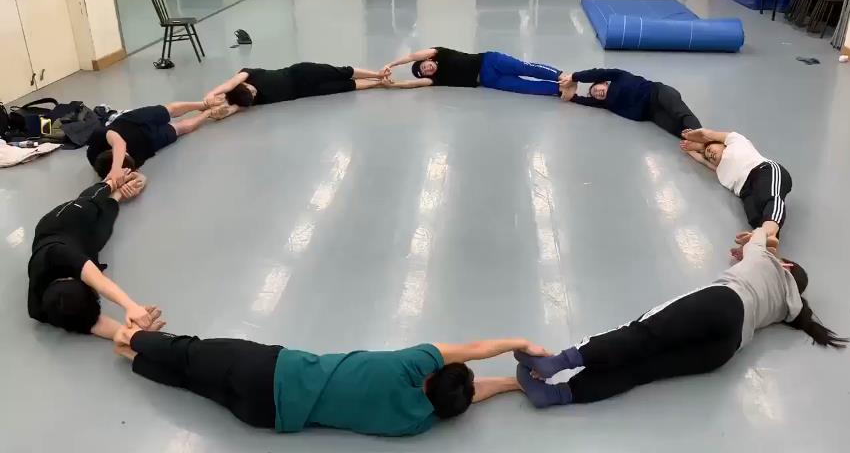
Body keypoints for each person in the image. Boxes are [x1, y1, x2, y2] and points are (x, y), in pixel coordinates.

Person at [513, 228, 847, 408]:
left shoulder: (766, 259)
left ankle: (556, 363)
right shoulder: (792, 308)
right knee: (642, 370)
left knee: (641, 335)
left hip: (723, 303)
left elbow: (762, 233)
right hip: (728, 347)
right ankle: (557, 396)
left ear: (785, 264)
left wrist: (759, 240)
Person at [112, 328, 545, 436]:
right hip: (265, 416)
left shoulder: (407, 366)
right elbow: (471, 394)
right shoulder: (416, 422)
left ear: (431, 372)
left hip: (266, 371)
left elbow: (472, 348)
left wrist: (519, 343)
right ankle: (134, 359)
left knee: (191, 352)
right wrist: (514, 385)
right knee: (191, 384)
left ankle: (129, 335)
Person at [27, 172, 165, 339]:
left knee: (90, 202)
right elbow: (92, 323)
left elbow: (99, 282)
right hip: (84, 246)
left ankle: (111, 182)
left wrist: (131, 306)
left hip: (62, 223)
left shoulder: (58, 255)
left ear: (77, 278)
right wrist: (135, 335)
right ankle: (118, 195)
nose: (96, 293)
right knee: (105, 226)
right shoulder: (43, 309)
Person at [679, 128, 791, 243]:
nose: (710, 155)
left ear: (721, 143)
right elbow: (703, 160)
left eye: (709, 149)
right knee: (755, 217)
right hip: (746, 192)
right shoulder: (719, 170)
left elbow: (707, 134)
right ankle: (765, 242)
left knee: (770, 197)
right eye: (708, 157)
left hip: (763, 171)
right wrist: (689, 150)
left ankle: (766, 233)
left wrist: (690, 136)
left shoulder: (735, 141)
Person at [202, 62, 388, 117]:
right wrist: (211, 110)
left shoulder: (246, 74)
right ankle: (378, 83)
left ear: (243, 84)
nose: (254, 92)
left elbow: (228, 85)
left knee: (342, 72)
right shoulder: (245, 101)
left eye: (251, 89)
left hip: (300, 73)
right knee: (346, 86)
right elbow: (229, 110)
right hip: (303, 92)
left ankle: (377, 74)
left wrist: (210, 96)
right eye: (253, 95)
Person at [87, 103, 213, 182]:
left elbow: (119, 143)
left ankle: (204, 104)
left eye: (122, 154)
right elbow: (138, 176)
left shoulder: (96, 143)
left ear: (111, 150)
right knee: (179, 129)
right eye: (126, 154)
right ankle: (209, 113)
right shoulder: (121, 170)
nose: (125, 152)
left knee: (169, 110)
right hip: (148, 143)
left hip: (132, 122)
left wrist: (116, 168)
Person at [381, 47, 573, 97]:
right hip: (488, 81)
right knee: (524, 87)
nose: (427, 69)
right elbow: (413, 84)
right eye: (425, 72)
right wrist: (393, 84)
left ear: (428, 60)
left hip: (490, 60)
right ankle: (559, 90)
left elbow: (412, 55)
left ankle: (562, 76)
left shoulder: (439, 53)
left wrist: (392, 64)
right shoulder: (436, 79)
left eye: (424, 66)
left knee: (525, 68)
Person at [561, 68, 701, 137]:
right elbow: (587, 101)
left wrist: (575, 77)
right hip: (652, 114)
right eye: (595, 95)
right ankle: (704, 149)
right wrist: (573, 98)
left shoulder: (618, 76)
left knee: (680, 113)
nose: (597, 93)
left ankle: (704, 137)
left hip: (657, 92)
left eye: (596, 89)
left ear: (604, 83)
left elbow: (597, 73)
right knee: (678, 131)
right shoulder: (606, 103)